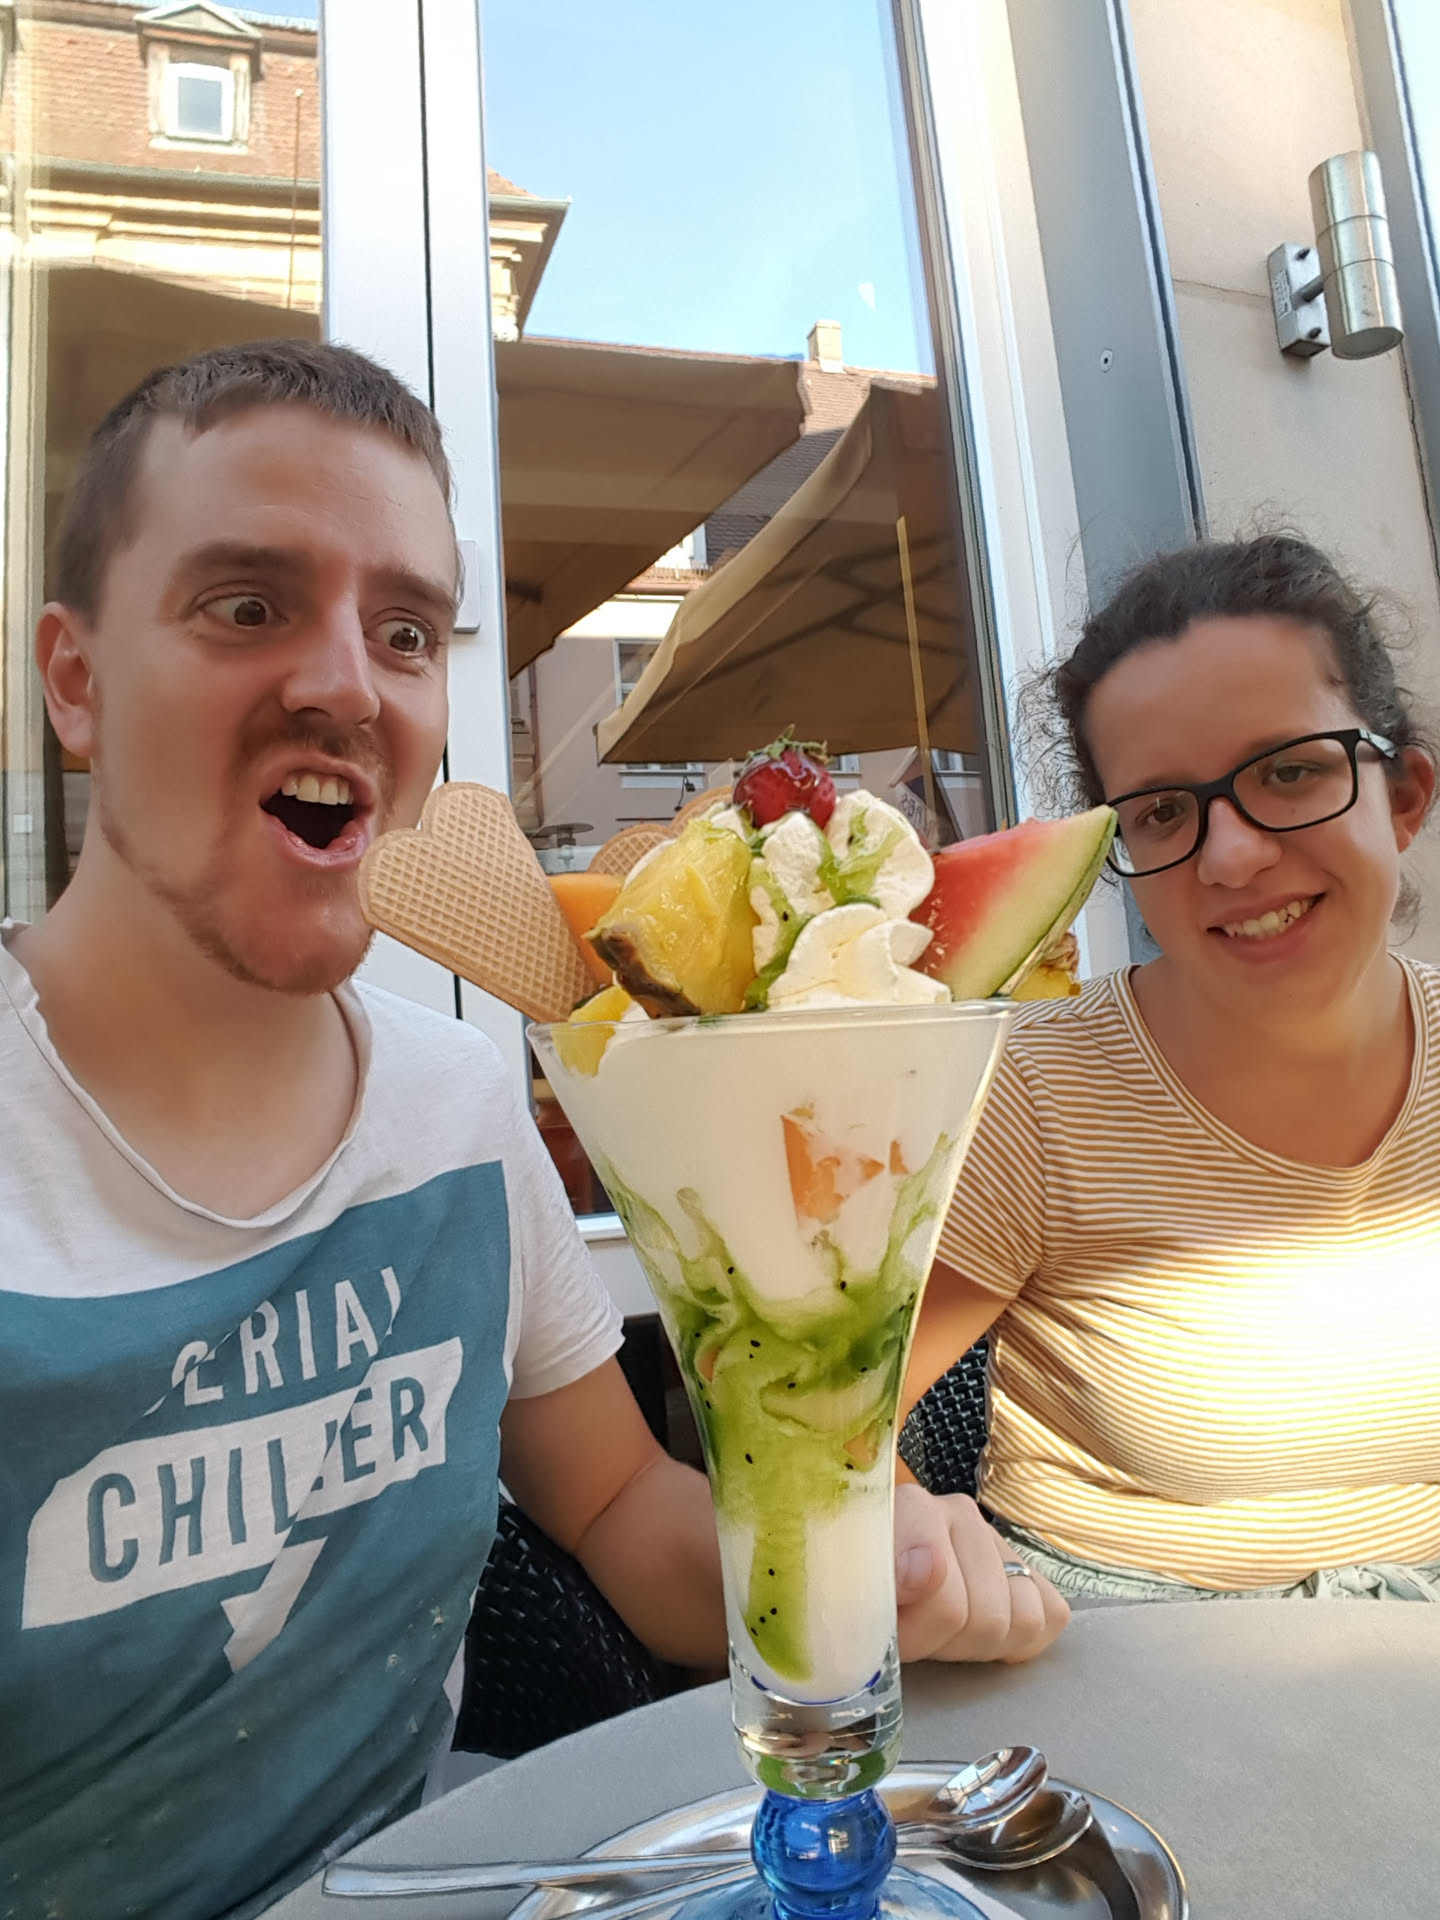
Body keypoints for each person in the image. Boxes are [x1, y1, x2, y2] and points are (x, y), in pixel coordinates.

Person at [0, 340, 1067, 1920]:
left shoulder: (453, 1099)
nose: (348, 684)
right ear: (75, 679)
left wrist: (862, 1569)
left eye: (406, 632)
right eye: (246, 605)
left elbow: (622, 1513)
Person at [903, 532, 1440, 1605]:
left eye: (1290, 771)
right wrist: (908, 1543)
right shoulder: (1031, 1094)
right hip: (1118, 1637)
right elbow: (827, 1429)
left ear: (1405, 796)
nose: (1232, 855)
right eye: (1161, 812)